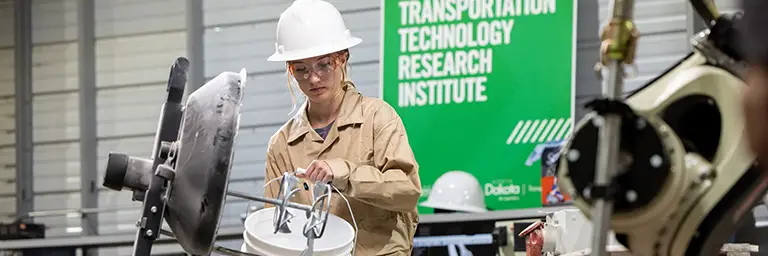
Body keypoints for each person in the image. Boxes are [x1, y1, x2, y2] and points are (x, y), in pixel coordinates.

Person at [261, 0, 423, 255]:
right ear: (289, 70)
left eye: (323, 64)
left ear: (343, 57)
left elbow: (407, 192)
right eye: (300, 69)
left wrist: (346, 174)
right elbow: (276, 229)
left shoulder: (377, 118)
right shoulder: (282, 145)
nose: (313, 78)